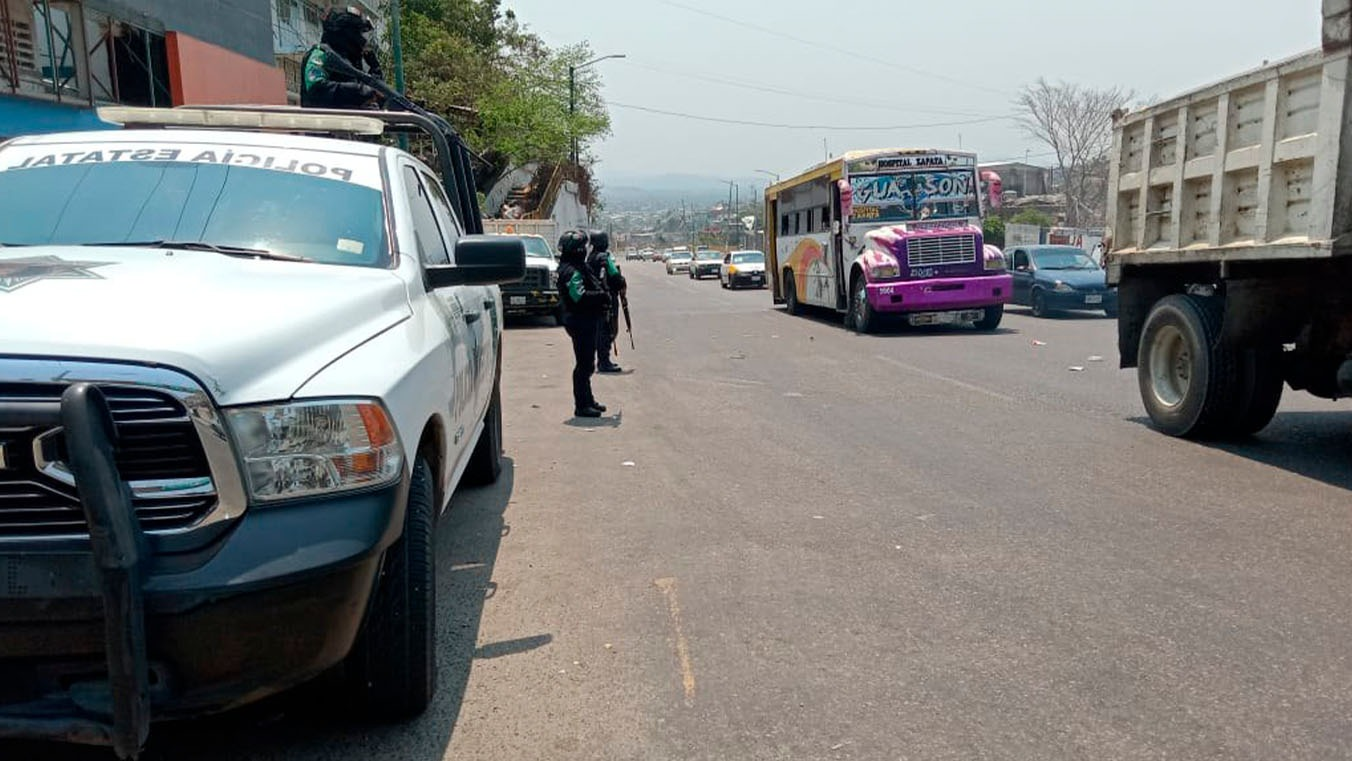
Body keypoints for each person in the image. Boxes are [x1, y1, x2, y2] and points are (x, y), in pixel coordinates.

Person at [557, 230, 611, 418]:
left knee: (587, 363)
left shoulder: (577, 266)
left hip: (586, 319)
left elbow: (593, 282)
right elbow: (578, 297)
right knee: (584, 365)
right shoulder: (571, 271)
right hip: (580, 321)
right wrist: (601, 297)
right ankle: (582, 405)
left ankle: (588, 400)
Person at [300, 8, 383, 109]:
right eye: (358, 32)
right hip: (328, 122)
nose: (362, 40)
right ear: (347, 32)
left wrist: (374, 66)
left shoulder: (351, 64)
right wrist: (359, 91)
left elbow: (377, 94)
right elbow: (316, 90)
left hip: (356, 122)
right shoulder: (320, 54)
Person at [587, 229, 627, 373]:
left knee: (600, 330)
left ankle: (603, 361)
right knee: (608, 330)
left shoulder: (590, 258)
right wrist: (622, 284)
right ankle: (604, 362)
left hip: (594, 299)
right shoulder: (604, 258)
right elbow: (615, 276)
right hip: (607, 299)